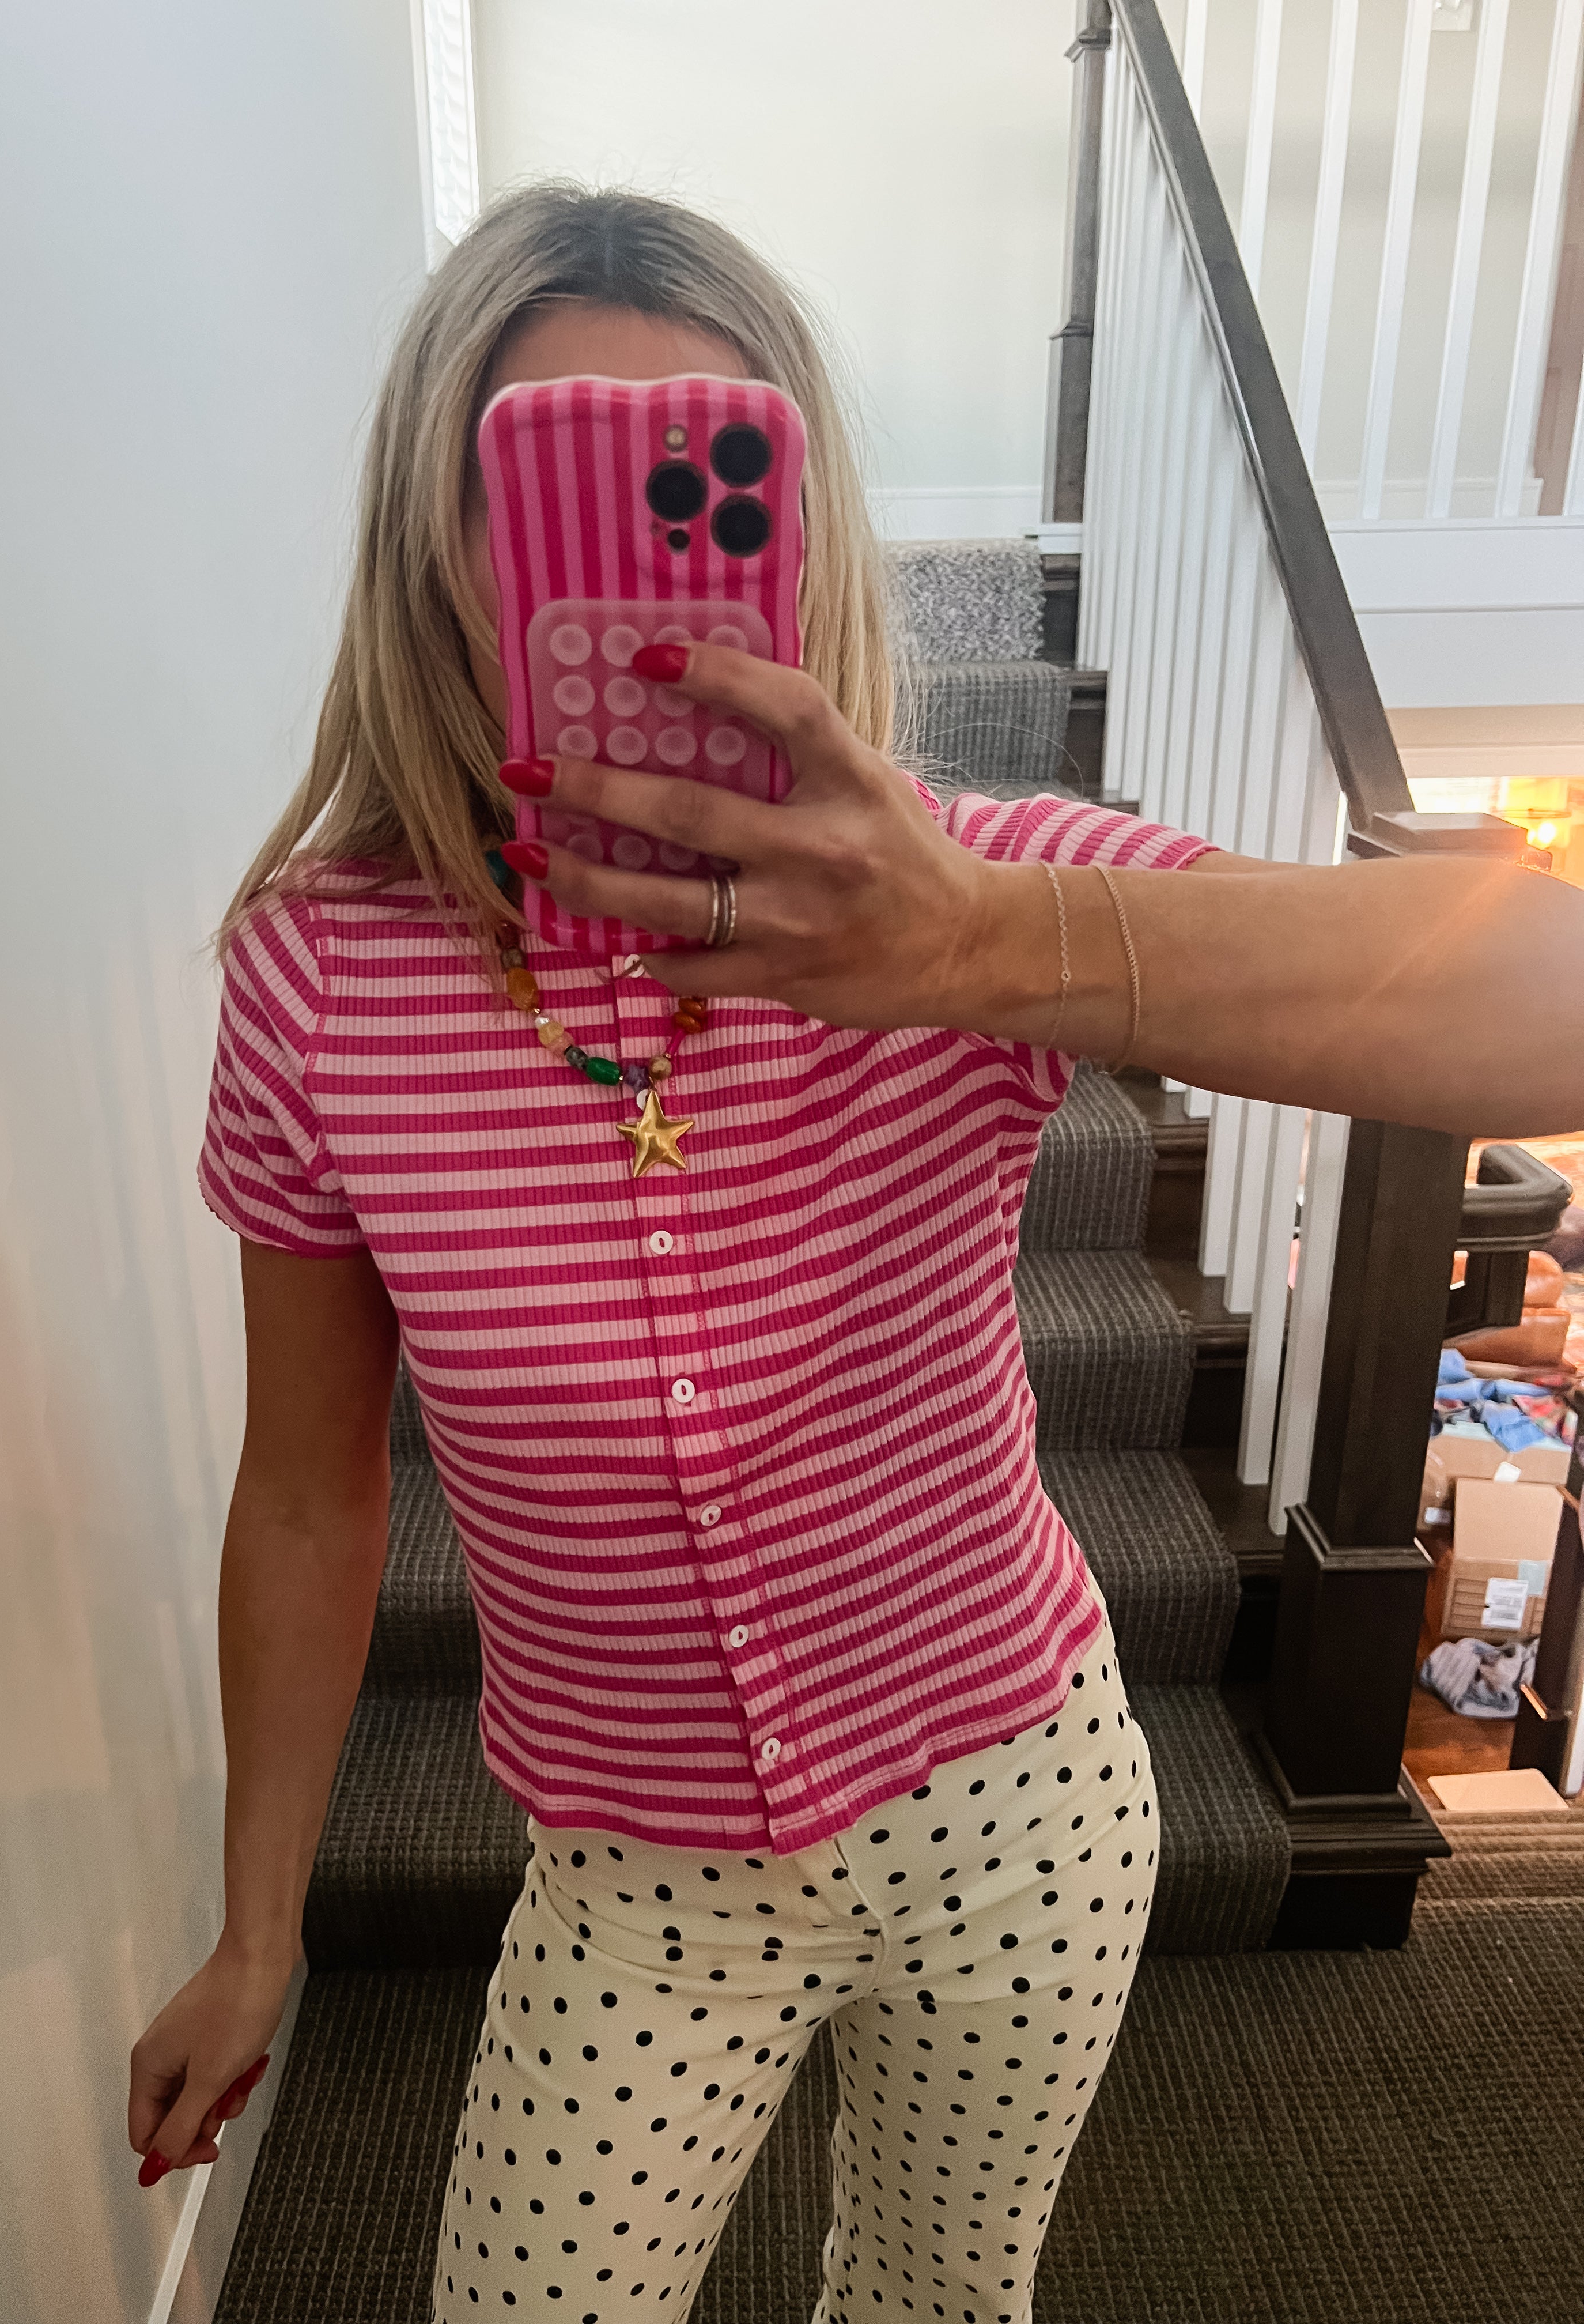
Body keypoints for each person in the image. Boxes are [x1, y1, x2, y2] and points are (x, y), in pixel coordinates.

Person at [128, 182, 1584, 2324]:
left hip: (1022, 1813)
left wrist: (982, 947)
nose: (634, 583)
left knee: (935, 2305)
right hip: (640, 1887)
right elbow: (305, 1488)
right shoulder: (322, 980)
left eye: (709, 490)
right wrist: (261, 1925)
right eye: (546, 492)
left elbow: (1540, 1000)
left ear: (800, 546)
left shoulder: (962, 890)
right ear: (434, 544)